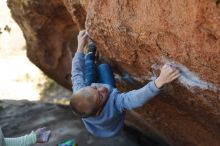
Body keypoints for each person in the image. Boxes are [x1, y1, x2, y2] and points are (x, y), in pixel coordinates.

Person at [70, 30, 180, 137]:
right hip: (111, 128)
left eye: (94, 88)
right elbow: (135, 99)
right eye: (100, 96)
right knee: (104, 68)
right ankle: (91, 62)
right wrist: (160, 81)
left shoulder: (80, 92)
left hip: (93, 108)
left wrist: (80, 46)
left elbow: (76, 72)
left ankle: (89, 56)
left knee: (88, 74)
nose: (102, 88)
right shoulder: (114, 105)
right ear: (99, 111)